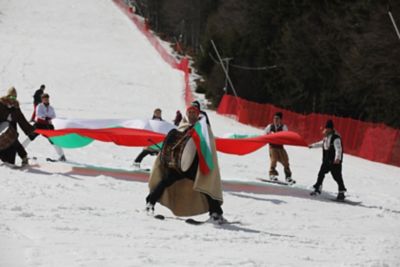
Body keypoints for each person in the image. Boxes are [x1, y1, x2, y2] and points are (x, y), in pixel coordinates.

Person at [145, 105, 225, 223]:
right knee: (164, 182)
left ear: (198, 114)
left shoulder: (203, 128)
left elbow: (208, 146)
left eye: (194, 113)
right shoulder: (182, 127)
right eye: (190, 112)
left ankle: (216, 213)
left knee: (205, 186)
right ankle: (150, 203)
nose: (192, 115)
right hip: (179, 166)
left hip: (195, 167)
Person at [309, 119, 347, 200]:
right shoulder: (326, 137)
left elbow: (338, 149)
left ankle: (341, 192)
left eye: (328, 128)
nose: (326, 129)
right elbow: (321, 143)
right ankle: (318, 188)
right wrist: (312, 146)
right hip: (326, 160)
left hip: (334, 162)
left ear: (331, 129)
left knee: (337, 176)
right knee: (321, 173)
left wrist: (337, 158)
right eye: (326, 128)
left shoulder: (336, 138)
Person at [23, 93, 66, 161]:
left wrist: (50, 119)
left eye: (47, 99)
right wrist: (46, 118)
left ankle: (62, 156)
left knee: (53, 140)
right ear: (42, 100)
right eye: (44, 99)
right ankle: (19, 151)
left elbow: (53, 116)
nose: (46, 100)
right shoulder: (39, 106)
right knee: (30, 136)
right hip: (39, 125)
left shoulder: (51, 108)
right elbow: (38, 114)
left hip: (48, 126)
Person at [0, 87, 35, 166]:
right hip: (1, 129)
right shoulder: (1, 104)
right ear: (8, 96)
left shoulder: (16, 107)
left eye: (15, 97)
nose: (13, 99)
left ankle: (24, 157)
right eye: (11, 97)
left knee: (14, 142)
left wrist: (30, 130)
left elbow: (21, 119)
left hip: (11, 129)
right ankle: (10, 160)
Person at [264, 112, 295, 184]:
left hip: (280, 147)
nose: (275, 120)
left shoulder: (284, 127)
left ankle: (288, 177)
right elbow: (264, 135)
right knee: (273, 160)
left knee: (286, 161)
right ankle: (272, 174)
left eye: (277, 119)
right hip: (272, 147)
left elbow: (286, 136)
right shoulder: (270, 126)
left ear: (280, 120)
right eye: (274, 118)